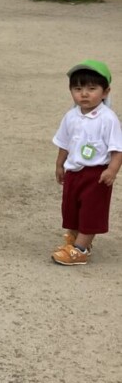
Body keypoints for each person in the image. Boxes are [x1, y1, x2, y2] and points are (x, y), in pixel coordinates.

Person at [51, 60, 122, 266]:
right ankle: (74, 240)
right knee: (71, 208)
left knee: (91, 211)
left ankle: (80, 250)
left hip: (96, 175)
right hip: (74, 172)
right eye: (77, 88)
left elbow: (117, 148)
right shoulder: (70, 116)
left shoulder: (108, 119)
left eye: (92, 89)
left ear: (105, 92)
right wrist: (59, 164)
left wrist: (112, 170)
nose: (84, 94)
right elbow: (64, 143)